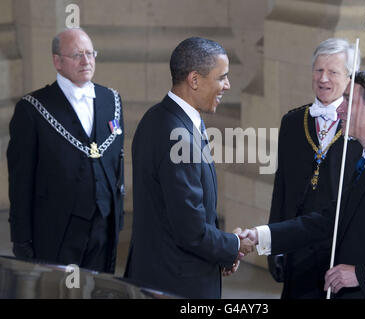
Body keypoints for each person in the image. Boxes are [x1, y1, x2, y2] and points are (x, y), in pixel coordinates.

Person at [241, 69, 365, 298]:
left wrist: (361, 275)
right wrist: (261, 236)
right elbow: (330, 219)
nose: (339, 109)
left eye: (348, 100)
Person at [124, 37, 253, 299]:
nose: (227, 85)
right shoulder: (178, 134)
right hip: (178, 285)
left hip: (161, 275)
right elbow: (191, 232)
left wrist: (222, 254)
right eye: (222, 77)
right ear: (194, 80)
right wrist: (234, 245)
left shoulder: (157, 117)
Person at [7, 28, 125, 274]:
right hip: (56, 230)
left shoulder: (112, 100)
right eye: (77, 55)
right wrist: (21, 240)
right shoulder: (32, 109)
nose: (86, 61)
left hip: (105, 225)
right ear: (57, 61)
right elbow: (20, 180)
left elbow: (117, 163)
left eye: (90, 53)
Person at [267, 38, 362, 298]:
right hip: (298, 244)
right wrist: (275, 244)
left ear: (349, 78)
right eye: (318, 70)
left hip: (339, 248)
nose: (323, 78)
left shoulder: (361, 126)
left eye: (333, 72)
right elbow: (281, 189)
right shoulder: (292, 122)